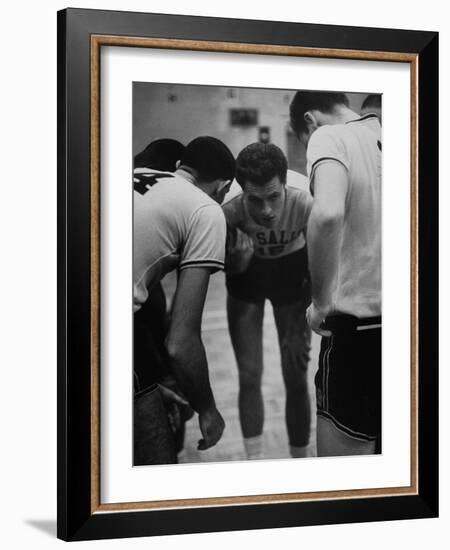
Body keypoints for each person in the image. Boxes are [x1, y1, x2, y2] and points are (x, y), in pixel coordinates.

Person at [289, 90, 382, 457]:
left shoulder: (329, 136)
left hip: (359, 332)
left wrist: (320, 302)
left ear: (309, 121)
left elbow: (327, 215)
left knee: (347, 481)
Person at [133, 136, 235, 464]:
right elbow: (181, 340)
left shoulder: (136, 176)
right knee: (156, 461)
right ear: (225, 185)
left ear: (180, 168)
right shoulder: (205, 209)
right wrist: (208, 409)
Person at [223, 143, 314, 460]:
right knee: (249, 374)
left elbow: (321, 266)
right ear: (243, 192)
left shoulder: (306, 200)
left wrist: (299, 327)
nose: (266, 211)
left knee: (296, 374)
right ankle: (254, 462)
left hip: (292, 272)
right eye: (256, 200)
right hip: (246, 274)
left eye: (274, 197)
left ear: (285, 185)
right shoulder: (229, 208)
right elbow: (218, 268)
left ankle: (298, 463)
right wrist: (234, 264)